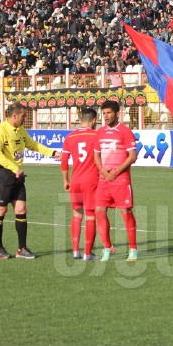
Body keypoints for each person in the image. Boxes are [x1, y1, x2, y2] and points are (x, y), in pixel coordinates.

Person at [0, 103, 61, 259]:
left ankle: (21, 248)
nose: (25, 119)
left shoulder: (21, 130)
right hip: (3, 175)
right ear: (15, 116)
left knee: (21, 210)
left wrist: (53, 152)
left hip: (17, 176)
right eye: (23, 116)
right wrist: (14, 168)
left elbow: (33, 145)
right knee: (1, 211)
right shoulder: (0, 130)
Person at [93, 100, 139, 261]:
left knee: (126, 213)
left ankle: (133, 249)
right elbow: (96, 156)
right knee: (99, 211)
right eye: (103, 113)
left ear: (117, 113)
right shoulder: (99, 132)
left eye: (109, 113)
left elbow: (133, 156)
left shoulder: (125, 132)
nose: (106, 116)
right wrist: (103, 171)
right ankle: (107, 247)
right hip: (104, 179)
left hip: (121, 180)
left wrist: (117, 171)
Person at [60, 108, 100, 261]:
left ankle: (75, 251)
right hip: (91, 182)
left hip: (75, 182)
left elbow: (64, 161)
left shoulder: (70, 137)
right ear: (94, 120)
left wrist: (66, 180)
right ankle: (88, 253)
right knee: (91, 217)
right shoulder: (97, 136)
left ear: (80, 120)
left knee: (76, 215)